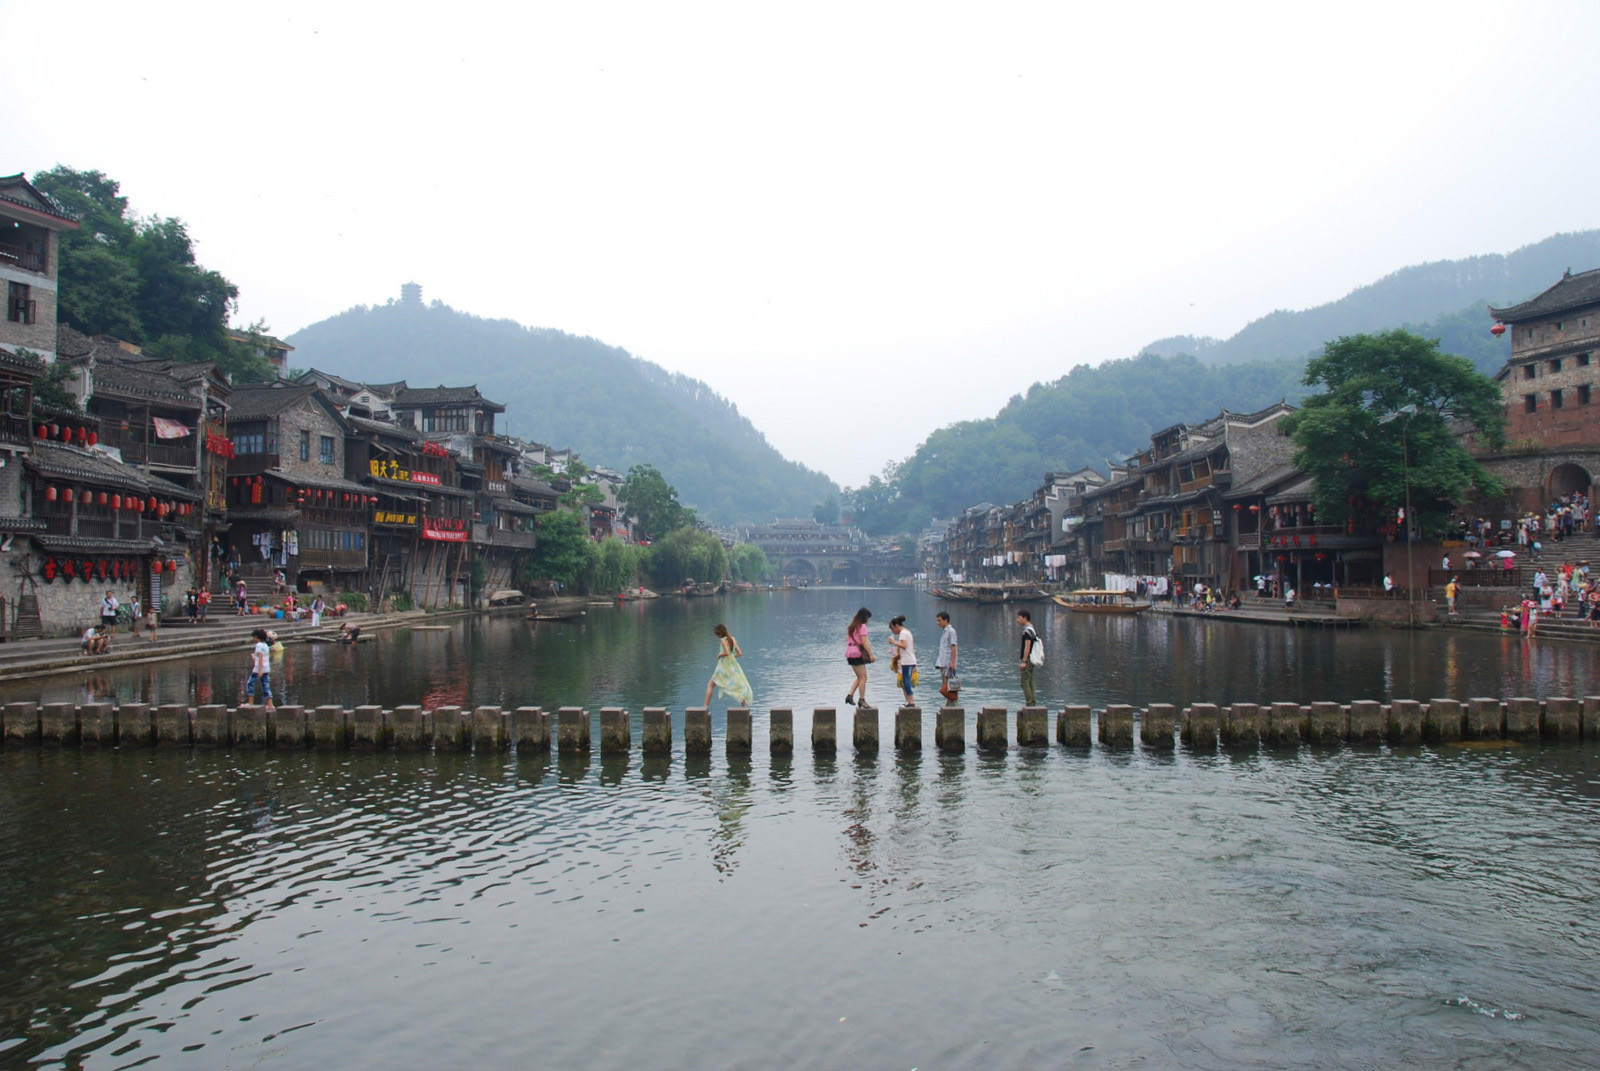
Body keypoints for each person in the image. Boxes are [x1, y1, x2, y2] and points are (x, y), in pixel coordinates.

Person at [703, 623, 754, 708]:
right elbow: (739, 653)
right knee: (739, 684)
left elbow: (726, 652)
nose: (718, 636)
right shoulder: (733, 640)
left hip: (722, 667)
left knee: (710, 685)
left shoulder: (723, 640)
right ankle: (744, 707)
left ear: (720, 633)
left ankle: (705, 706)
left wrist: (720, 655)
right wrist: (731, 658)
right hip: (732, 666)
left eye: (718, 634)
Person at [844, 606, 874, 706]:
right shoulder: (862, 626)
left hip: (850, 653)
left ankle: (850, 696)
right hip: (857, 653)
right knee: (864, 677)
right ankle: (862, 699)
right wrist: (871, 654)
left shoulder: (852, 626)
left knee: (860, 677)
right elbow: (864, 641)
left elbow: (847, 639)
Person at [887, 615, 917, 706]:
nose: (893, 631)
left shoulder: (902, 633)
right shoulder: (907, 632)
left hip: (907, 661)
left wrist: (893, 642)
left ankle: (911, 701)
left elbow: (904, 645)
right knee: (906, 681)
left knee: (906, 681)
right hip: (910, 659)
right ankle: (908, 701)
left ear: (896, 626)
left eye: (892, 629)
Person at [243, 628, 275, 710]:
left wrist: (259, 670)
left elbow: (260, 658)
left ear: (256, 637)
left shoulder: (259, 645)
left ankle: (250, 702)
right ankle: (270, 704)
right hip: (266, 668)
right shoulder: (265, 645)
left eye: (253, 637)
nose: (253, 639)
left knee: (250, 684)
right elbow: (266, 656)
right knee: (266, 685)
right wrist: (255, 658)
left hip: (258, 668)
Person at [935, 611, 959, 705]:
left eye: (939, 620)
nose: (938, 623)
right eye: (937, 621)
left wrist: (953, 662)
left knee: (950, 688)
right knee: (946, 687)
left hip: (948, 664)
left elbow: (954, 647)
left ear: (946, 620)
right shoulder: (944, 632)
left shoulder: (951, 631)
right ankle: (949, 707)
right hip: (942, 662)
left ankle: (952, 707)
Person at [1016, 610, 1039, 707]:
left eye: (1019, 618)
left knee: (1024, 682)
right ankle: (1032, 703)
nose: (1017, 620)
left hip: (1027, 659)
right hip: (1031, 659)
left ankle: (1030, 704)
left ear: (1025, 618)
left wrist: (1024, 661)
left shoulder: (1027, 631)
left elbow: (1027, 646)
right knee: (1030, 680)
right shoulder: (1031, 629)